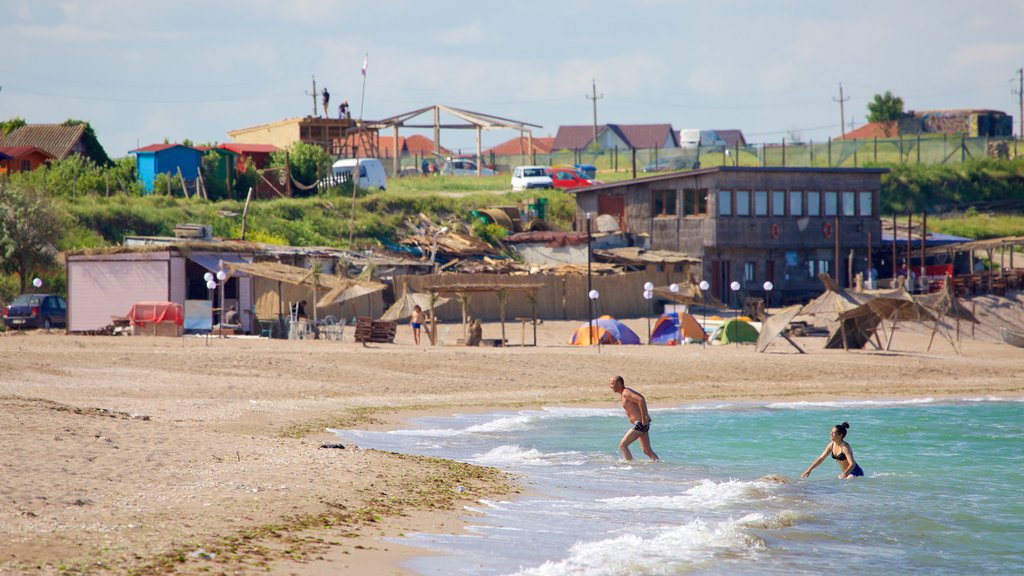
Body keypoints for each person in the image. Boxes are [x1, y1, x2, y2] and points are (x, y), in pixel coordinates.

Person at [608, 375, 658, 461]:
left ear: (619, 384)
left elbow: (641, 400)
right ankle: (658, 466)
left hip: (640, 423)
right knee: (647, 450)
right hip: (642, 423)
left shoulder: (626, 392)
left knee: (623, 445)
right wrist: (646, 416)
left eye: (612, 384)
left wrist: (644, 417)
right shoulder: (626, 392)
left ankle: (630, 467)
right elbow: (640, 399)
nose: (610, 386)